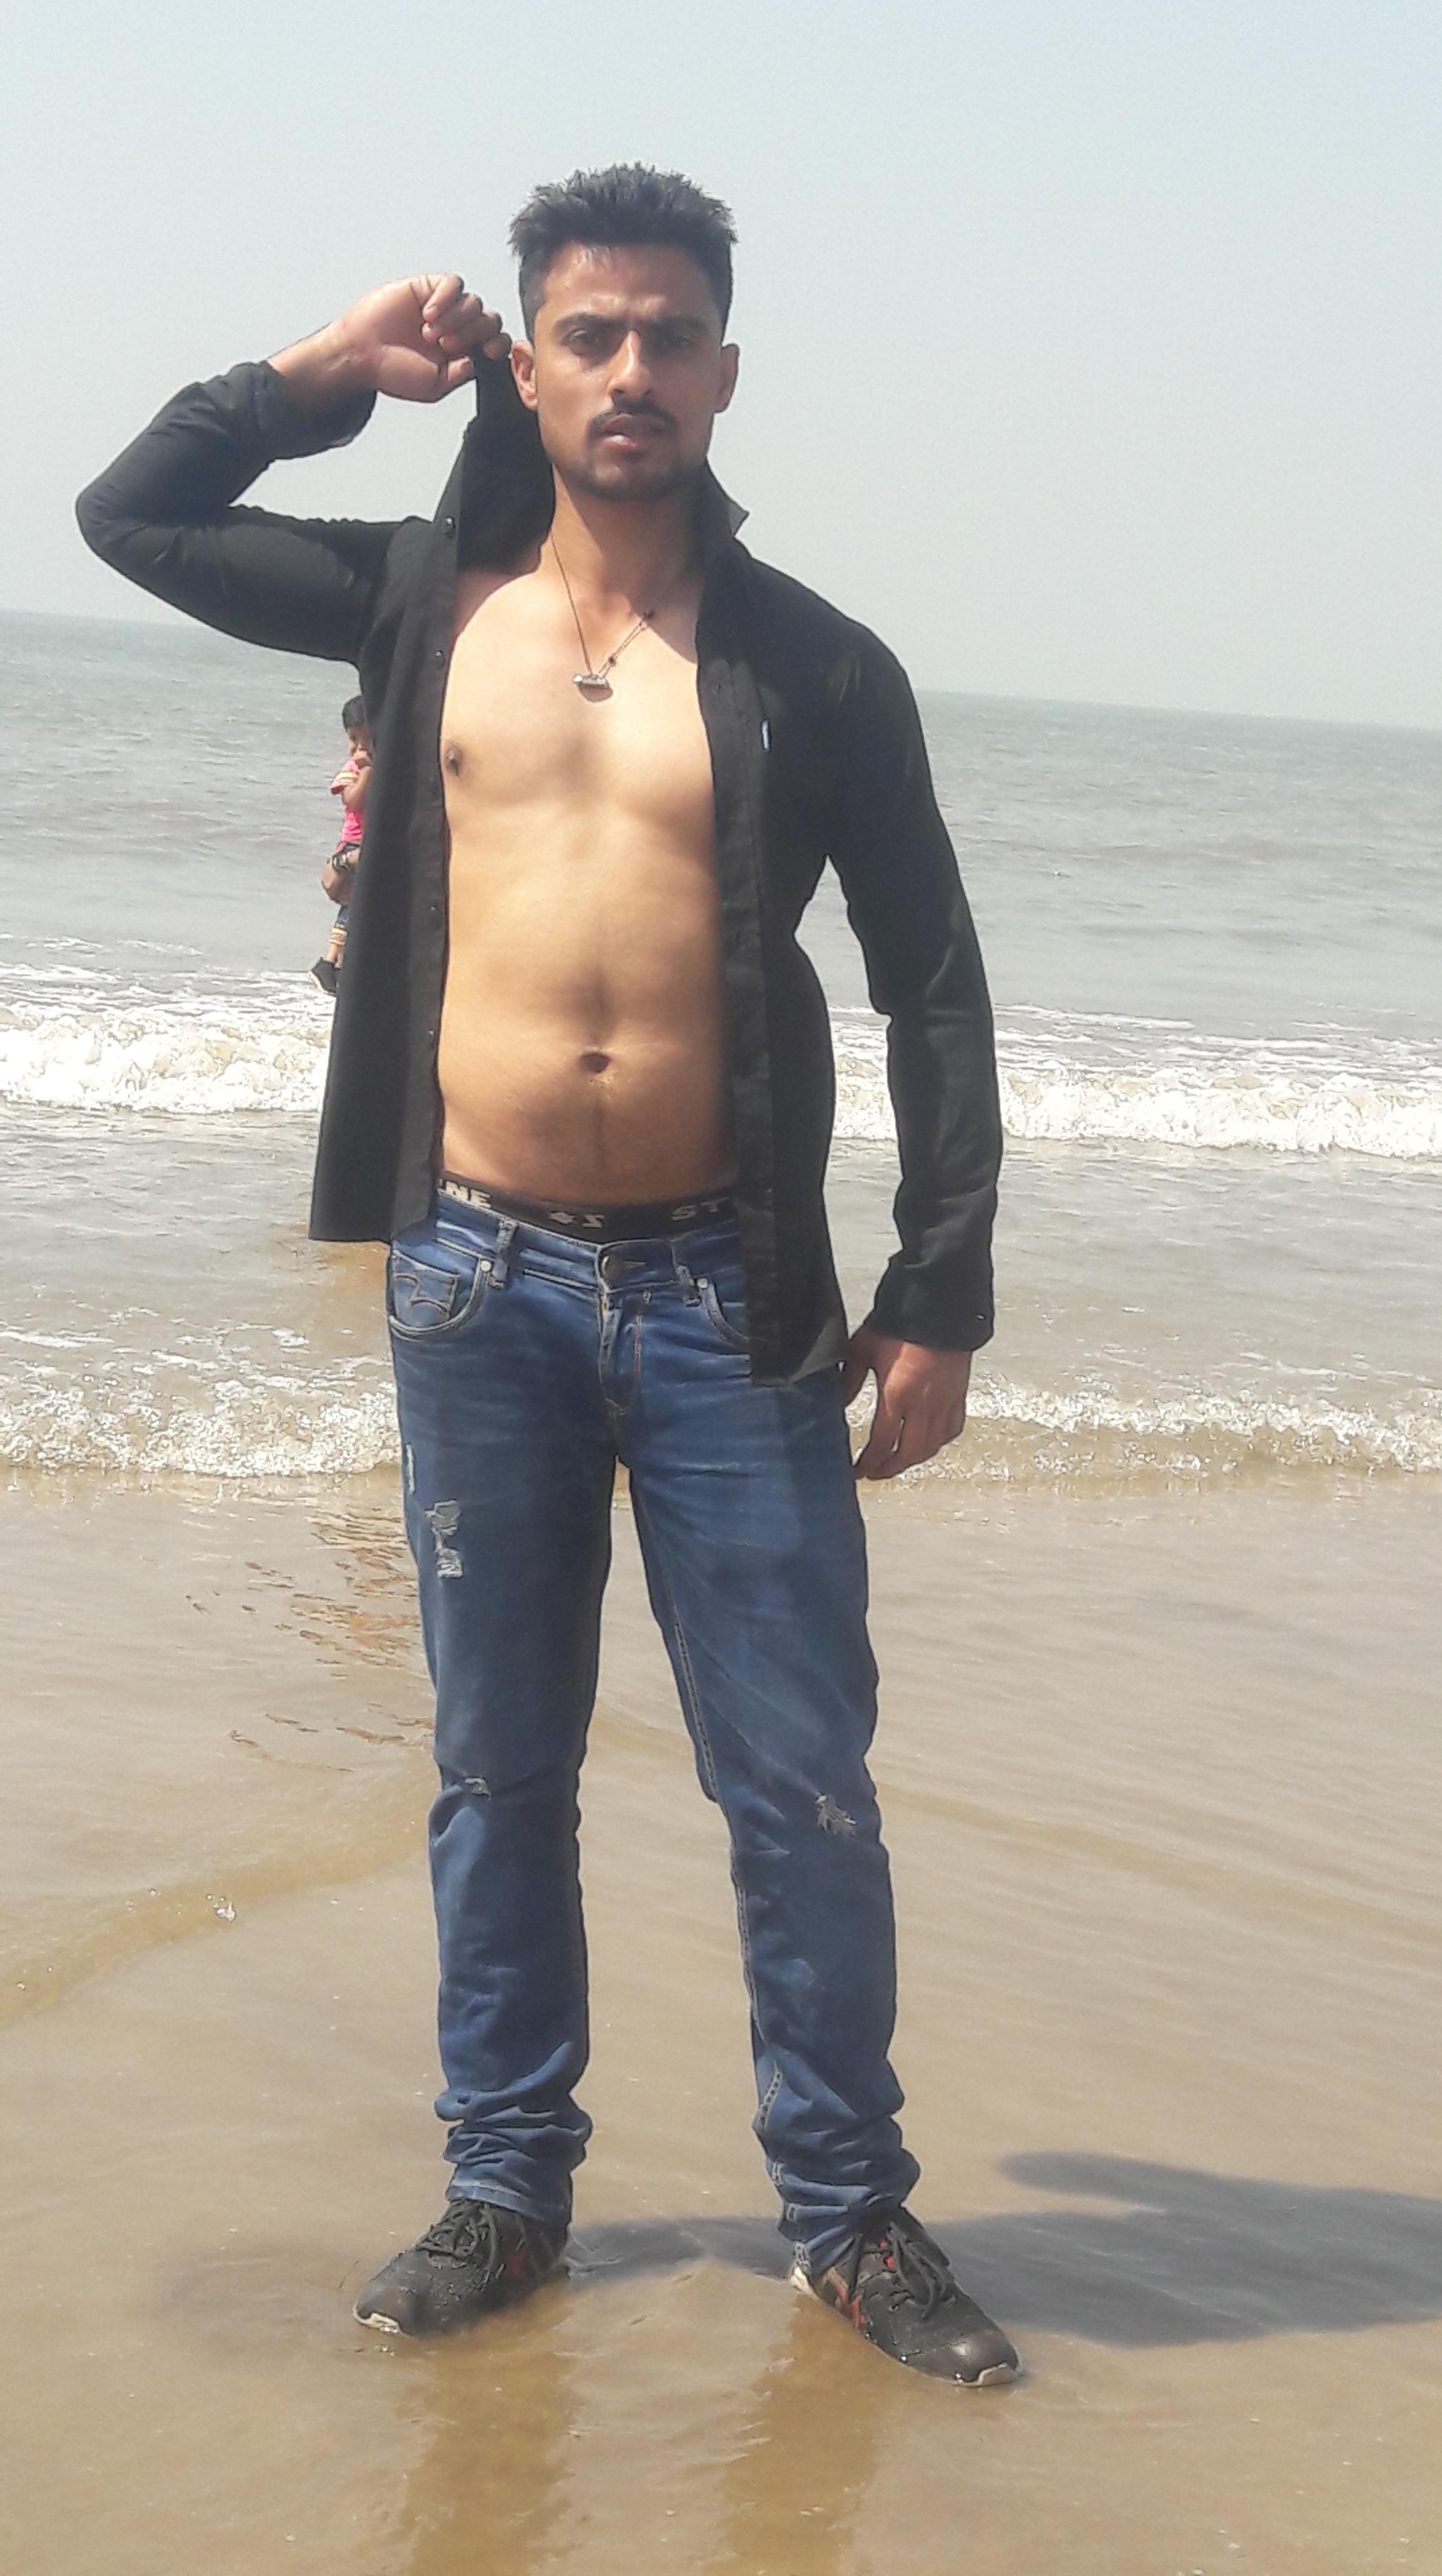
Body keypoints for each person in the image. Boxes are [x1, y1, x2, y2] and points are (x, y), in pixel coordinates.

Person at [77, 165, 1017, 2386]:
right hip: (473, 1282)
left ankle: (849, 2216)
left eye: (669, 334)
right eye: (589, 333)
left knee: (800, 1779)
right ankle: (506, 2189)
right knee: (498, 1767)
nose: (631, 370)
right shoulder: (419, 603)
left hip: (731, 1300)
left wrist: (941, 1287)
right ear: (525, 363)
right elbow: (136, 515)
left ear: (725, 371)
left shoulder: (815, 665)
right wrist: (324, 370)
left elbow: (935, 980)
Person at [311, 694, 371, 995]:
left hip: (372, 842)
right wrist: (368, 771)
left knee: (360, 905)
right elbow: (353, 801)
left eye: (365, 739)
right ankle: (329, 960)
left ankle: (340, 966)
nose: (357, 747)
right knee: (353, 902)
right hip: (354, 843)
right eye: (352, 739)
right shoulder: (353, 770)